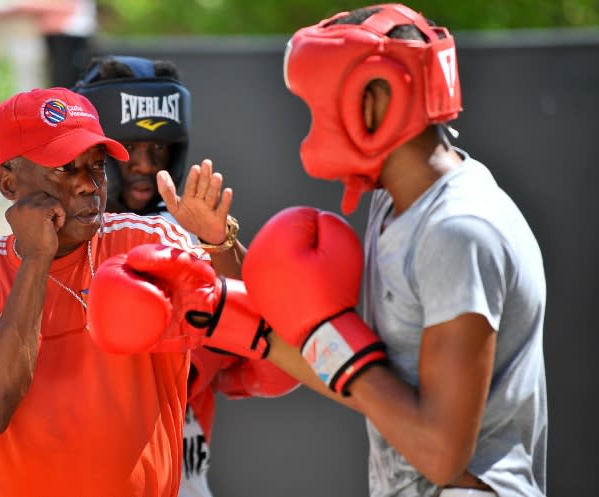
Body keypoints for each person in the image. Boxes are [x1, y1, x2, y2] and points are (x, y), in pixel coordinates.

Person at [237, 4, 547, 497]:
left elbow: (442, 454)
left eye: (321, 105)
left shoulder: (458, 230)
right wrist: (226, 313)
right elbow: (371, 386)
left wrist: (327, 333)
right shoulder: (396, 204)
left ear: (377, 100)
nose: (315, 125)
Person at [0, 86, 259, 497]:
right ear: (9, 183)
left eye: (96, 167)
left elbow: (257, 324)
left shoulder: (147, 242)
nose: (88, 185)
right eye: (64, 168)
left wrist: (217, 241)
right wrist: (36, 259)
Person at [71, 55, 300, 497]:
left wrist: (219, 241)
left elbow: (276, 356)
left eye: (157, 149)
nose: (142, 164)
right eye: (127, 148)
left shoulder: (190, 247)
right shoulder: (53, 247)